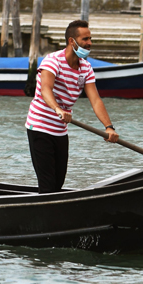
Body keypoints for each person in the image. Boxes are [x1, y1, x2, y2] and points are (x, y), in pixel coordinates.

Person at [26, 20, 119, 193]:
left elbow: (96, 100)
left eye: (90, 39)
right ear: (71, 41)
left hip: (60, 130)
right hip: (39, 126)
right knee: (47, 185)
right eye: (85, 39)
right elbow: (46, 89)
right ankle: (47, 215)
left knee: (58, 182)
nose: (89, 43)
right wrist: (58, 109)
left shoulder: (86, 68)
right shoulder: (53, 61)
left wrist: (109, 127)